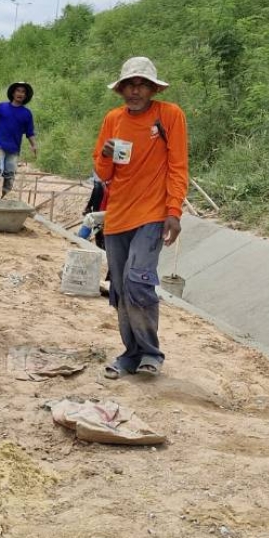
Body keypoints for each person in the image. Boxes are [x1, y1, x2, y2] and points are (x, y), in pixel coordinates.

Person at [92, 56, 189, 379]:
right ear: (121, 89)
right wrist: (105, 155)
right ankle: (131, 354)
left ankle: (151, 351)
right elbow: (103, 173)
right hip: (118, 214)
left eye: (142, 84)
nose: (135, 91)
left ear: (151, 88)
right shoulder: (113, 119)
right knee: (119, 286)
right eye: (129, 85)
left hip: (152, 213)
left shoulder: (169, 115)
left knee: (138, 280)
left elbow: (178, 166)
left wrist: (173, 211)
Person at [0, 80, 37, 198]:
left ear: (26, 96)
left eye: (23, 92)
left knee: (9, 175)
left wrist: (34, 145)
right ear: (13, 93)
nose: (20, 93)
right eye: (18, 91)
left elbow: (29, 132)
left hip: (14, 148)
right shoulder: (2, 107)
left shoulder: (27, 114)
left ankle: (4, 198)